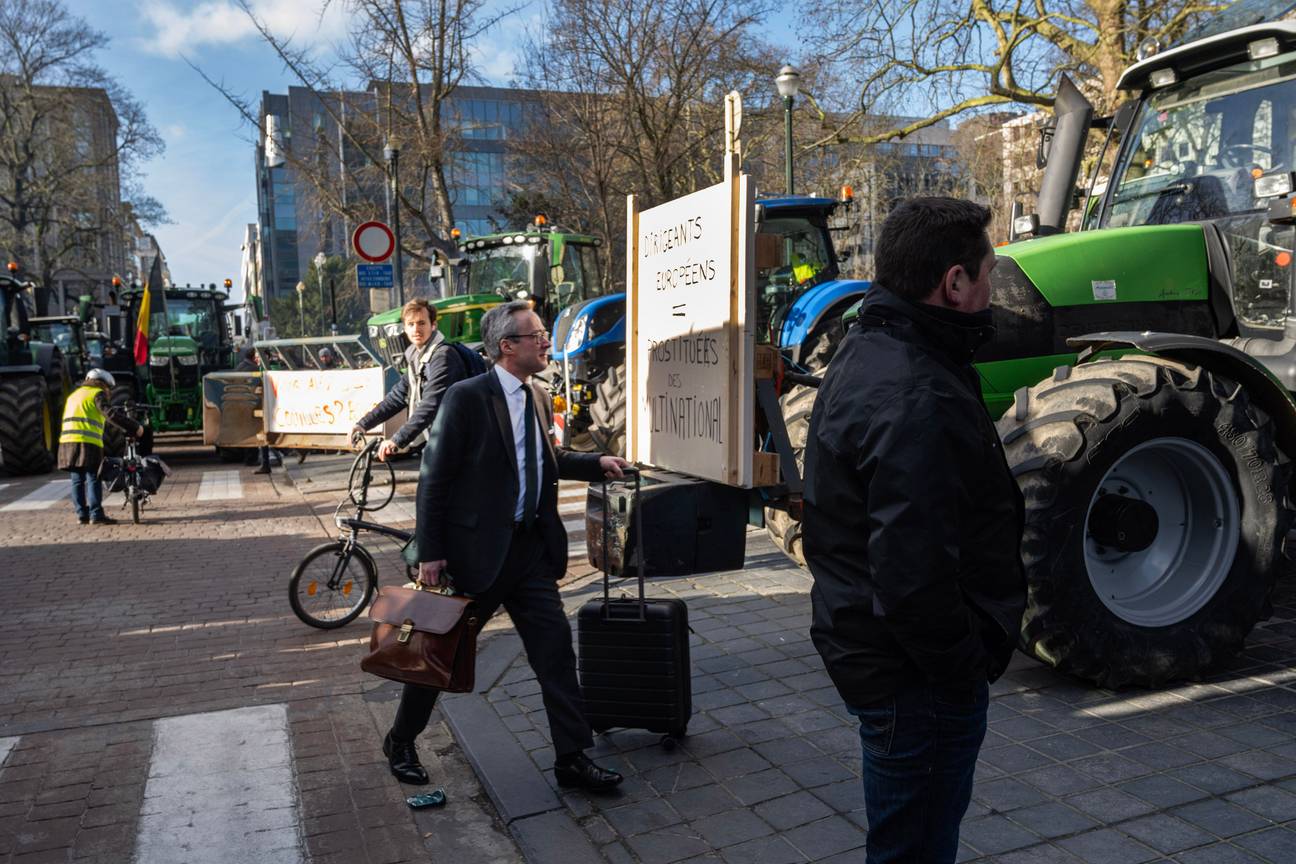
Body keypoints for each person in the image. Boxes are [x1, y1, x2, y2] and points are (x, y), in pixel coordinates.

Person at [802, 197, 1027, 864]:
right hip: (916, 681)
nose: (994, 292)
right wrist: (964, 670)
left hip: (882, 659)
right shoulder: (915, 392)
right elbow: (913, 574)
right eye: (988, 274)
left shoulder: (872, 349)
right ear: (955, 283)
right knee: (914, 848)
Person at [386, 300, 630, 793]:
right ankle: (401, 739)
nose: (546, 342)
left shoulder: (538, 395)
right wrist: (432, 552)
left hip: (530, 553)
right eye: (536, 335)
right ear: (506, 347)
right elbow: (435, 479)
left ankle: (571, 757)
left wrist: (597, 461)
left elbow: (546, 455)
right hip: (475, 557)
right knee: (441, 654)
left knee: (555, 653)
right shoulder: (466, 397)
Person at [351, 298, 466, 462]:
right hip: (440, 441)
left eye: (421, 323)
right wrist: (363, 424)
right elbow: (397, 397)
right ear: (404, 328)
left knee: (434, 487)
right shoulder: (417, 357)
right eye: (411, 324)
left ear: (433, 325)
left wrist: (397, 440)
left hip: (459, 442)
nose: (416, 329)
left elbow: (430, 404)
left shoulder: (443, 356)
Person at [59, 368, 145, 525]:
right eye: (108, 387)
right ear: (103, 384)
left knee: (77, 480)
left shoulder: (73, 395)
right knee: (94, 477)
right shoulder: (96, 393)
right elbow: (110, 414)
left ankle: (82, 515)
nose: (108, 391)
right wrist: (134, 427)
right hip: (88, 442)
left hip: (67, 442)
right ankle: (96, 514)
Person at [236, 347, 274, 475]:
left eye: (260, 356)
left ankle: (266, 463)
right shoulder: (258, 369)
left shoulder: (261, 368)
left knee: (263, 434)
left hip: (261, 406)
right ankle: (265, 463)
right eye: (257, 356)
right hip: (259, 406)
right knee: (262, 434)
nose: (258, 359)